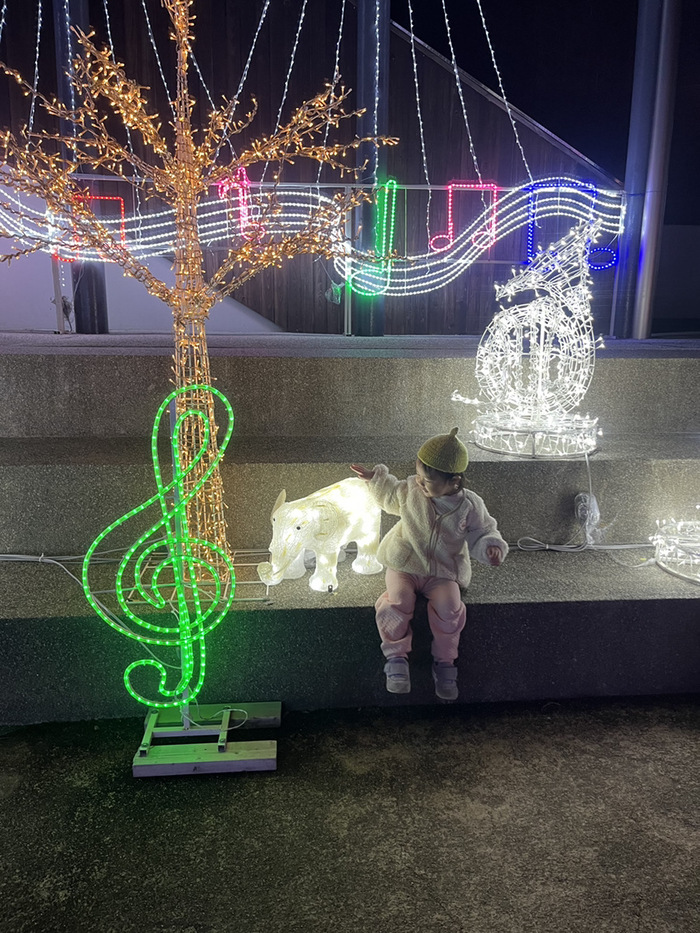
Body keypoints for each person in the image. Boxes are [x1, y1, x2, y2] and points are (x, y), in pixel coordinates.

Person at [350, 427, 507, 701]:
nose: (421, 485)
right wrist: (374, 479)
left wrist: (490, 547)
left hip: (443, 571)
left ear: (455, 482)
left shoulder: (470, 505)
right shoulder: (411, 489)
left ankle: (445, 664)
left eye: (428, 482)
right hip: (404, 563)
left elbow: (483, 531)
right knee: (397, 600)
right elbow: (388, 495)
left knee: (451, 608)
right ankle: (396, 659)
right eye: (419, 477)